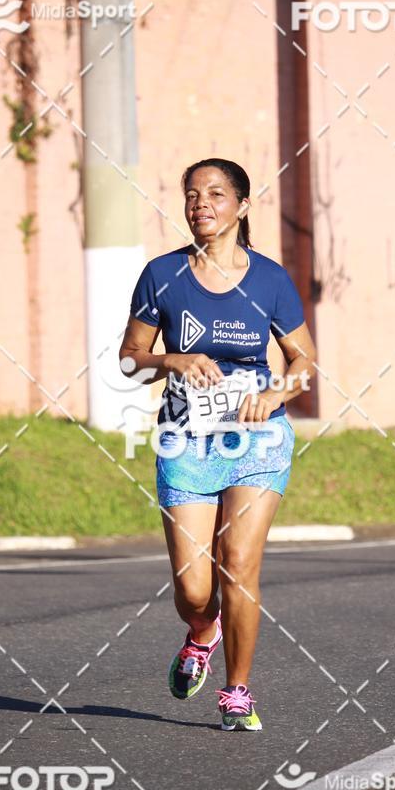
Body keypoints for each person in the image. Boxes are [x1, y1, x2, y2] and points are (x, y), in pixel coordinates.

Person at [119, 158, 316, 731]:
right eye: (191, 194)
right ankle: (203, 632)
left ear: (242, 206)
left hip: (257, 440)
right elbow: (129, 361)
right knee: (193, 588)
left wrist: (275, 393)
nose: (200, 203)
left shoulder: (270, 280)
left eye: (215, 194)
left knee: (239, 566)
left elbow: (304, 362)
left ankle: (237, 691)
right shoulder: (162, 274)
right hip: (185, 440)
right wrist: (170, 360)